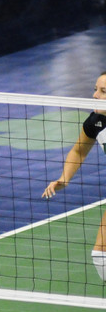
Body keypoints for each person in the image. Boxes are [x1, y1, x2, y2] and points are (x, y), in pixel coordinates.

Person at [42, 71, 106, 280]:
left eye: (103, 91)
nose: (95, 96)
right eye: (95, 89)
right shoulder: (96, 121)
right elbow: (78, 151)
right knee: (101, 256)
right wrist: (65, 177)